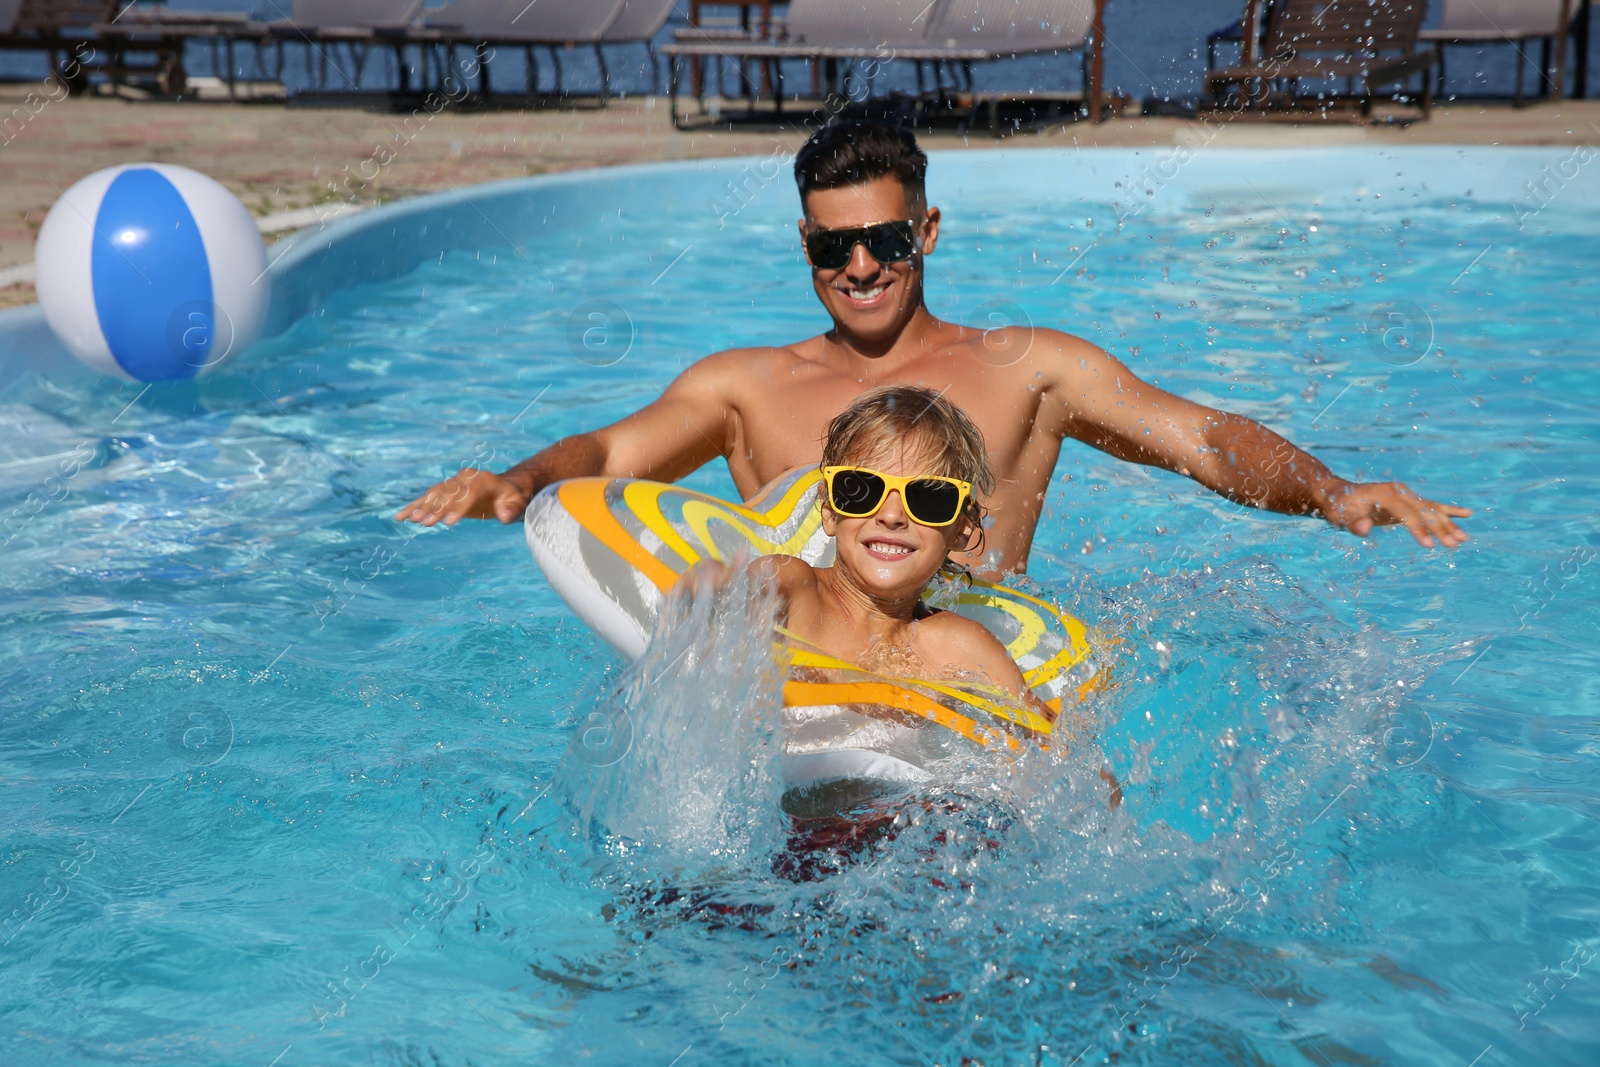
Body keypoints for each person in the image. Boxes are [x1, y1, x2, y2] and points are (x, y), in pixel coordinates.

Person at [396, 120, 1470, 575]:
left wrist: (1328, 491)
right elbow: (610, 459)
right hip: (805, 705)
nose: (860, 266)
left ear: (928, 230)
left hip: (958, 708)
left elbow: (1201, 439)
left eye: (885, 238)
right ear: (806, 242)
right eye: (834, 244)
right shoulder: (741, 386)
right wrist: (518, 479)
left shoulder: (1029, 368)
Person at [681, 384, 1121, 804]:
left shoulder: (956, 645)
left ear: (962, 528)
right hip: (782, 827)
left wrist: (1088, 774)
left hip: (902, 828)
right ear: (830, 509)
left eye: (929, 499)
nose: (891, 515)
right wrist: (713, 586)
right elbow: (742, 597)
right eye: (862, 490)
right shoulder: (796, 592)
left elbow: (1039, 742)